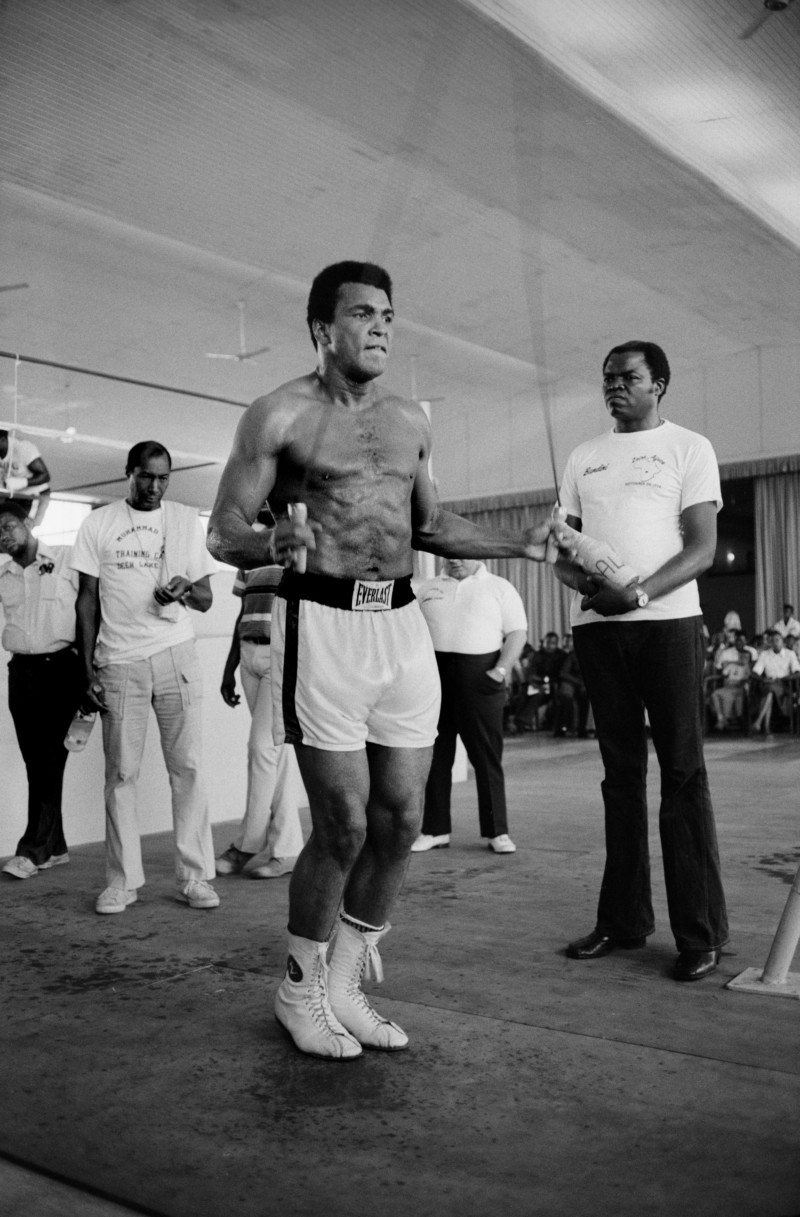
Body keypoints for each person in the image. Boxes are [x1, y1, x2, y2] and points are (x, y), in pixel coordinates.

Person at [206, 260, 555, 1060]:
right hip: (322, 624)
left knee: (401, 819)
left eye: (389, 316)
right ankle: (298, 990)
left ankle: (341, 985)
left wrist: (523, 543)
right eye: (363, 313)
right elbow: (223, 531)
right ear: (322, 329)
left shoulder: (409, 420)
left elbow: (430, 525)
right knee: (344, 823)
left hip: (400, 624)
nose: (381, 328)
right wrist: (269, 542)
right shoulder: (278, 414)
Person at [555, 340, 728, 983]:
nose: (614, 386)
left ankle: (700, 933)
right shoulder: (584, 456)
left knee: (682, 771)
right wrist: (585, 585)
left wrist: (638, 594)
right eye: (607, 378)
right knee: (620, 776)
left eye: (628, 377)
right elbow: (562, 549)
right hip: (599, 630)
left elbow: (702, 549)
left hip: (667, 626)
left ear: (660, 384)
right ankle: (623, 920)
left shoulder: (690, 448)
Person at [71, 440, 220, 915]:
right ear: (129, 473)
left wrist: (184, 589)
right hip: (119, 662)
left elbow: (206, 599)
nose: (155, 487)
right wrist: (86, 669)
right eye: (147, 477)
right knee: (120, 775)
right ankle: (122, 882)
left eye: (163, 478)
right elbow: (86, 601)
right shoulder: (99, 523)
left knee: (188, 769)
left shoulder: (184, 521)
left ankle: (195, 876)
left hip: (176, 654)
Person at [410, 557, 528, 854]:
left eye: (461, 553)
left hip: (482, 678)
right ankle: (434, 830)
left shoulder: (500, 587)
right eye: (448, 554)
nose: (454, 559)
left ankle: (497, 831)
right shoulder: (427, 589)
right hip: (434, 679)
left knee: (487, 758)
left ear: (476, 553)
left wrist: (500, 671)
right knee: (435, 758)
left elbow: (517, 633)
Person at [0, 500, 81, 878]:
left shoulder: (67, 559)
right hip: (21, 672)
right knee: (37, 762)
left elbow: (92, 609)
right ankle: (56, 846)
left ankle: (33, 850)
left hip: (61, 669)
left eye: (8, 526)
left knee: (49, 760)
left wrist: (89, 666)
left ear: (28, 523)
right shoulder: (3, 575)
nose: (2, 536)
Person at [216, 541, 306, 880]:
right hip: (248, 654)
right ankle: (288, 850)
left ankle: (247, 844)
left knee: (262, 749)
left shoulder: (299, 547)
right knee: (274, 754)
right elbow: (243, 613)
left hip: (280, 656)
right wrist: (229, 668)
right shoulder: (249, 552)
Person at [751, 629, 800, 735]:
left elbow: (797, 672)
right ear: (770, 642)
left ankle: (761, 723)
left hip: (784, 684)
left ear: (782, 641)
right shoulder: (765, 654)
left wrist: (784, 678)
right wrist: (763, 679)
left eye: (777, 640)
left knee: (770, 691)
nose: (775, 643)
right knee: (769, 691)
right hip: (768, 683)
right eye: (772, 640)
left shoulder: (790, 654)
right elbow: (755, 672)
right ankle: (764, 726)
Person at [0, 429, 51, 527]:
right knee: (5, 524)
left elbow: (45, 475)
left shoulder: (23, 448)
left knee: (25, 526)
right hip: (15, 494)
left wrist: (21, 483)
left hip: (35, 494)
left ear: (2, 440)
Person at [709, 632, 753, 732]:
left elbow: (748, 679)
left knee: (728, 696)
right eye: (742, 656)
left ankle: (723, 720)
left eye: (745, 657)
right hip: (728, 686)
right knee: (715, 694)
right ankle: (721, 718)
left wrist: (738, 682)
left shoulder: (747, 668)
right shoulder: (732, 664)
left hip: (739, 688)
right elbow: (723, 674)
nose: (743, 658)